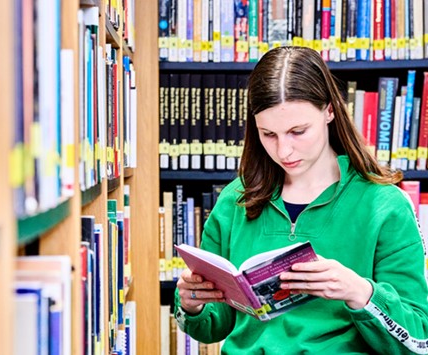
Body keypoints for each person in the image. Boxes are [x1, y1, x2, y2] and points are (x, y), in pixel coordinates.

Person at [175, 46, 428, 354]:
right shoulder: (234, 201)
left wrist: (359, 292)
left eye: (298, 131)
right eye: (269, 134)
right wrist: (192, 306)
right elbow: (214, 326)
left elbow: (417, 339)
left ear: (330, 111)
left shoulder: (385, 206)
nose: (284, 151)